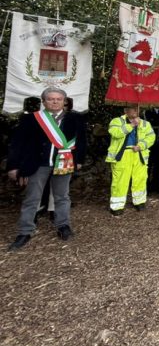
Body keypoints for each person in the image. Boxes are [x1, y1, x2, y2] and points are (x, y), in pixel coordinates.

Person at [7, 88, 86, 251]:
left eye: (58, 99)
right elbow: (18, 142)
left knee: (62, 197)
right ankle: (25, 231)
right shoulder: (31, 119)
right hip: (37, 164)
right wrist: (13, 165)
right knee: (32, 198)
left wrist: (79, 160)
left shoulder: (75, 118)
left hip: (64, 163)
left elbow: (82, 141)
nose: (55, 101)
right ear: (43, 101)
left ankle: (63, 225)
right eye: (50, 99)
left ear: (64, 101)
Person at [106, 104, 156, 215]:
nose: (135, 110)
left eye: (136, 108)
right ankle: (117, 207)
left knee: (140, 179)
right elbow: (115, 133)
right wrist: (132, 125)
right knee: (120, 180)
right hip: (122, 155)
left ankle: (139, 202)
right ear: (125, 110)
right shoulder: (116, 121)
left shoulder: (145, 123)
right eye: (132, 108)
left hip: (139, 154)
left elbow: (151, 137)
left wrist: (141, 146)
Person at [145, 94, 159, 193]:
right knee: (148, 165)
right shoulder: (147, 112)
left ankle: (156, 186)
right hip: (150, 143)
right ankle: (146, 186)